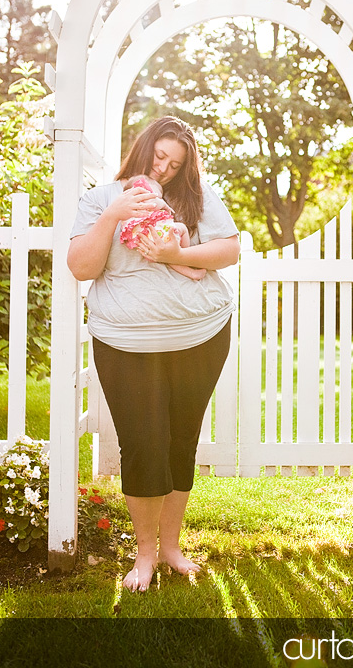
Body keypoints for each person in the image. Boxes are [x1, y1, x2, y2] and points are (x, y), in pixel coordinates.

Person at [67, 116, 240, 592]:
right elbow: (82, 267)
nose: (164, 169)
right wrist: (112, 215)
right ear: (142, 149)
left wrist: (174, 256)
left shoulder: (197, 198)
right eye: (159, 156)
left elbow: (229, 251)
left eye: (175, 163)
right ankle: (144, 556)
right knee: (143, 445)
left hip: (201, 337)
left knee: (180, 443)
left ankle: (171, 549)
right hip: (126, 345)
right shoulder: (99, 199)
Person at [120, 174, 206, 280]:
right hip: (156, 234)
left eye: (159, 197)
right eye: (155, 196)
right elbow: (153, 203)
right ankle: (184, 254)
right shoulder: (145, 202)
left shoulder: (125, 211)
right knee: (182, 228)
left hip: (145, 245)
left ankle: (190, 272)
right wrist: (163, 205)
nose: (158, 199)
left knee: (168, 258)